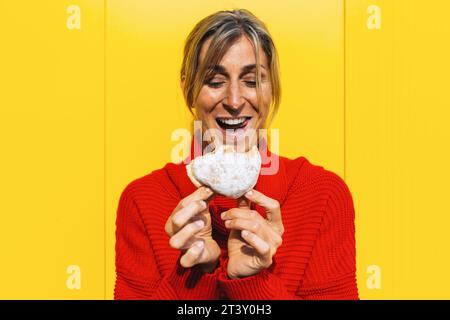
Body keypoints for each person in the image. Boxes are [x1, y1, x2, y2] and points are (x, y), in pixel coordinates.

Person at [114, 9, 359, 300]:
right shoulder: (143, 200)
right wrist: (195, 275)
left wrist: (253, 282)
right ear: (188, 89)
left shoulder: (322, 196)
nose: (233, 100)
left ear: (272, 90)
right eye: (215, 82)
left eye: (252, 81)